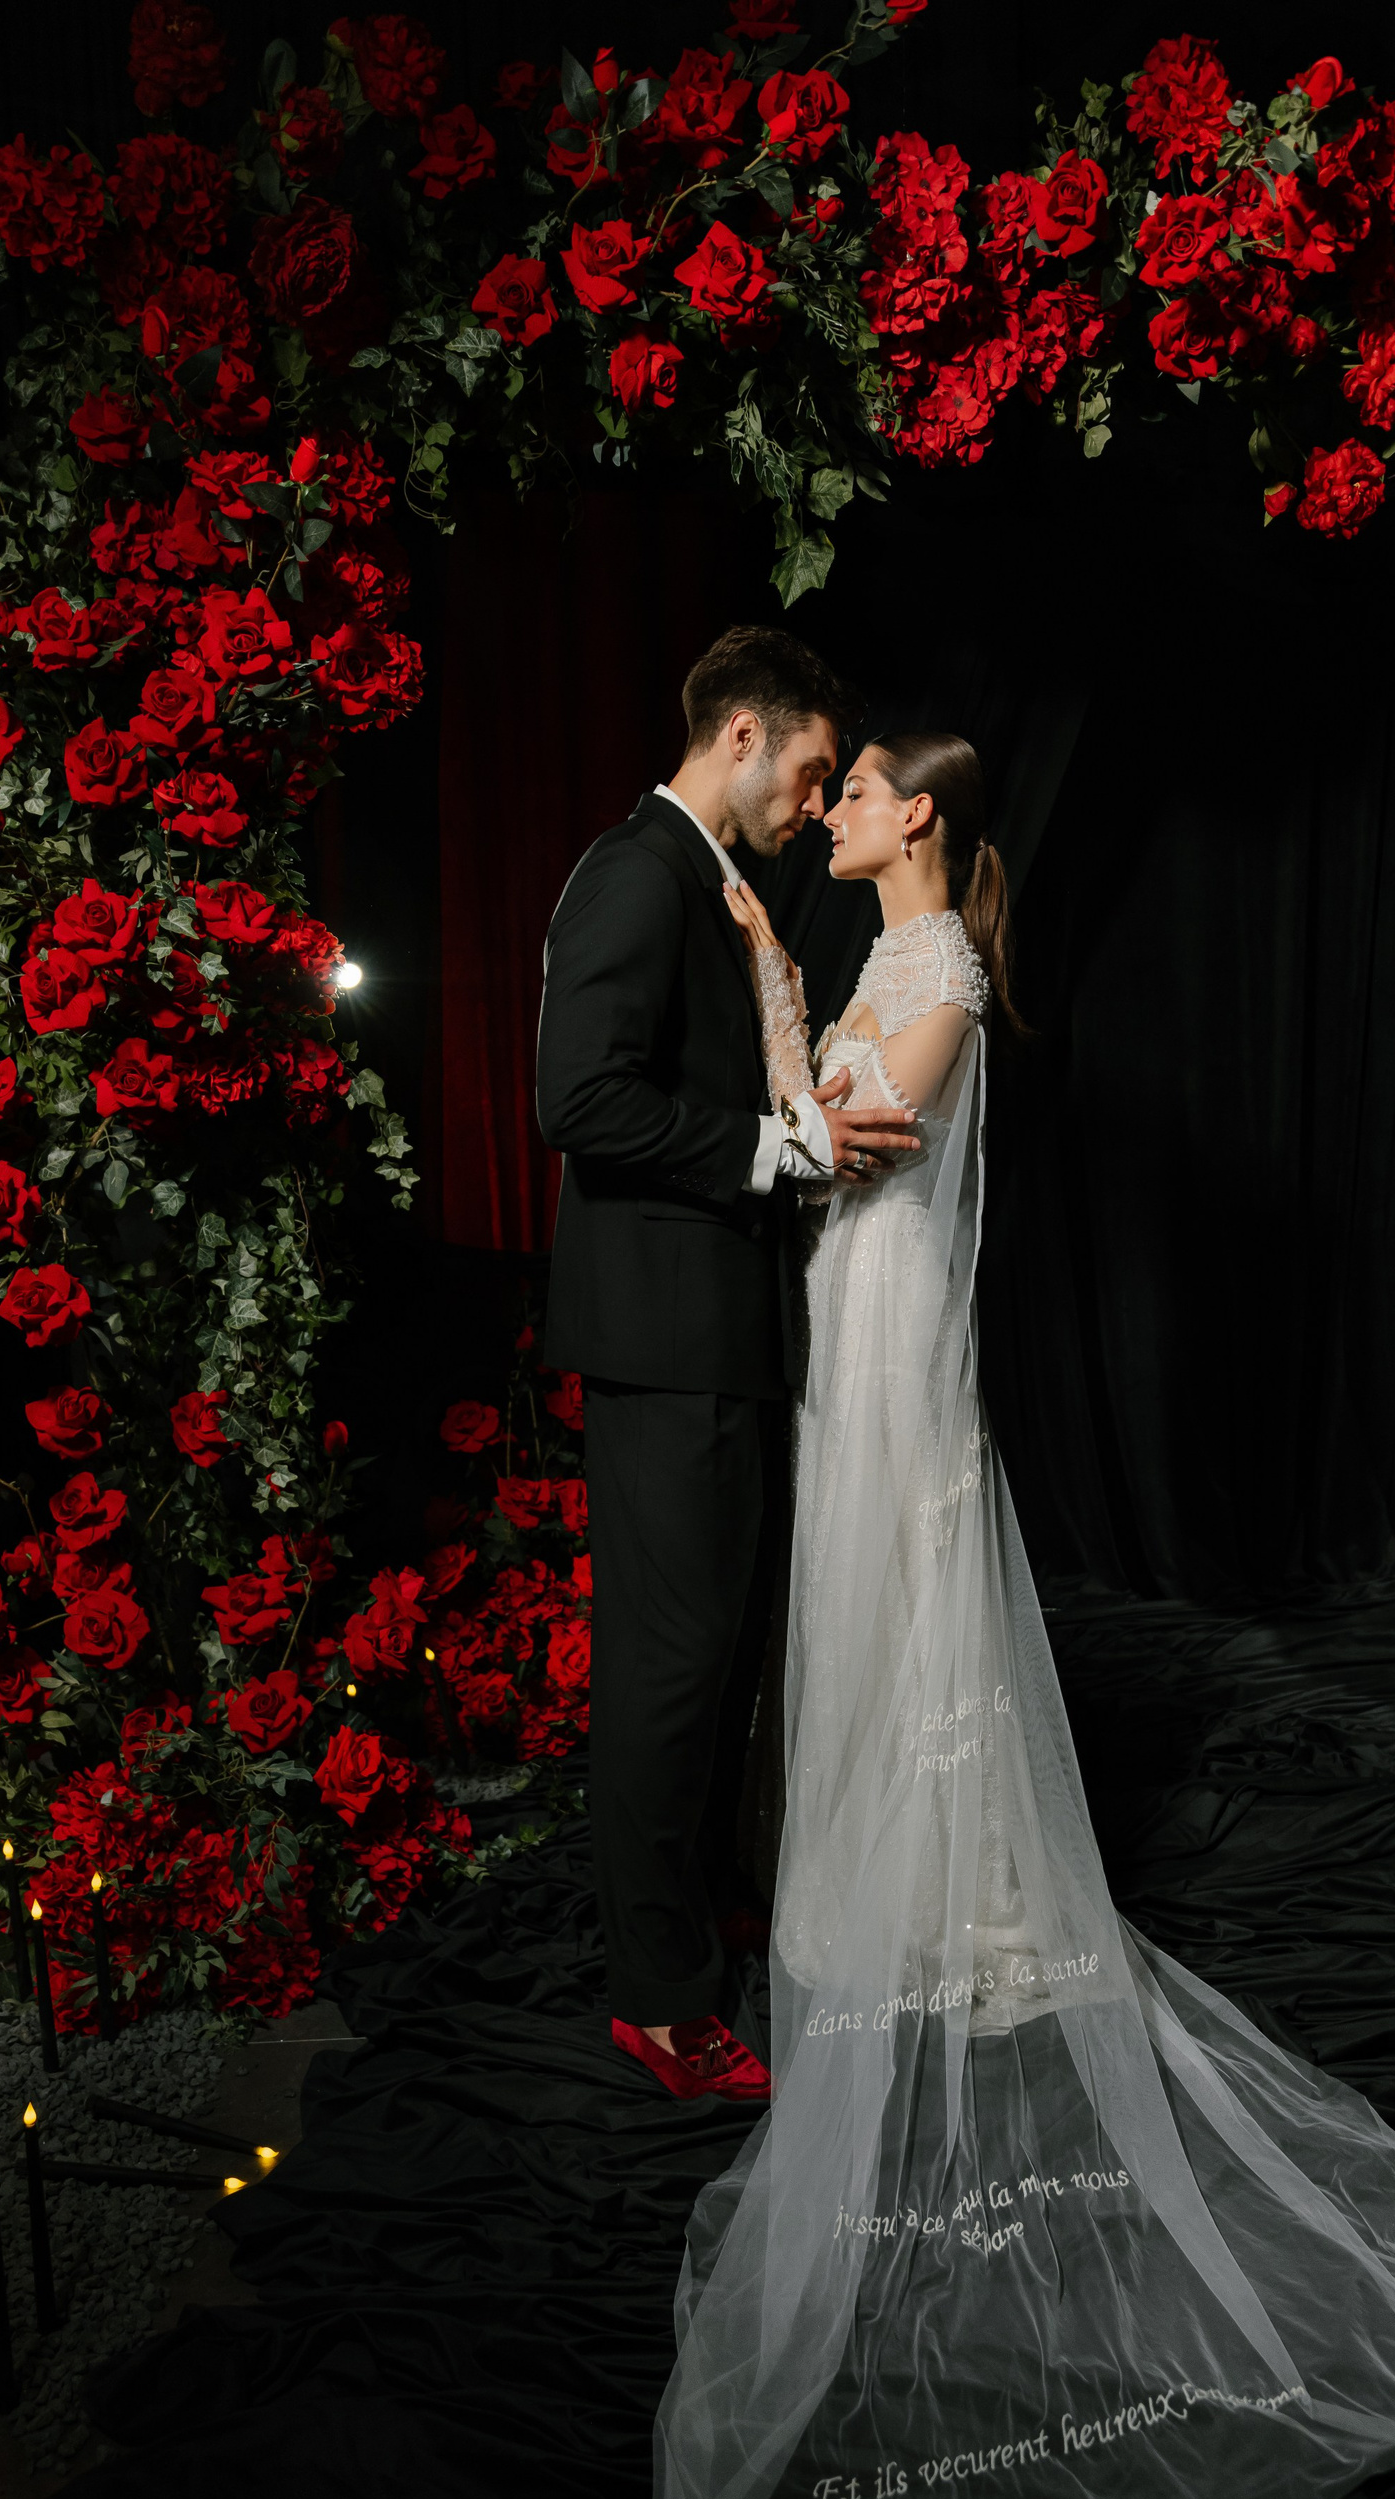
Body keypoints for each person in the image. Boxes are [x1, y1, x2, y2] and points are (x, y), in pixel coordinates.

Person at [646, 731, 1395, 2499]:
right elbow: (808, 1126)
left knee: (912, 1590)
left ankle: (955, 1892)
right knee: (852, 1600)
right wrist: (785, 989)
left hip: (894, 1331)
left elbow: (852, 1135)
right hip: (840, 1316)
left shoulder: (948, 973)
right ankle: (873, 1873)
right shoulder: (884, 955)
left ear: (921, 819)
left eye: (858, 789)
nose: (836, 809)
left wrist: (776, 999)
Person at [536, 627, 919, 2102]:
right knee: (669, 1669)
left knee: (713, 1660)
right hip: (665, 1338)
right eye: (813, 771)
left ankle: (692, 1919)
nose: (818, 804)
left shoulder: (708, 880)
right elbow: (579, 1099)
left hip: (716, 1333)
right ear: (744, 734)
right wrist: (781, 1146)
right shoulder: (639, 874)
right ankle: (658, 1999)